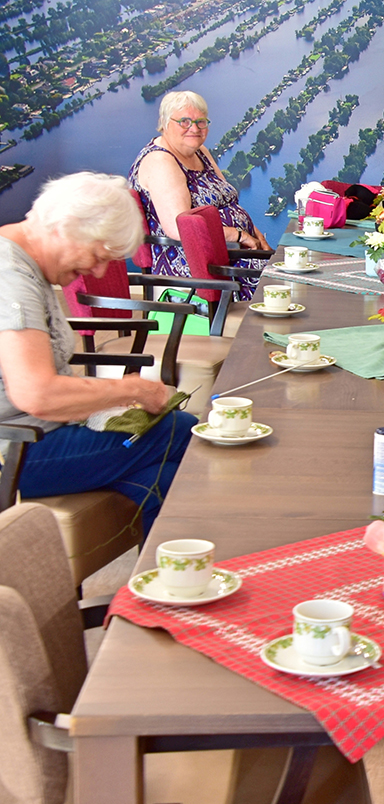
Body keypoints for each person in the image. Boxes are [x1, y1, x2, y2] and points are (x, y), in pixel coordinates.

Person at [0, 173, 198, 535]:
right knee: (181, 430)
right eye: (97, 256)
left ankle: (166, 580)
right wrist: (133, 390)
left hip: (34, 437)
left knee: (166, 478)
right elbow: (37, 394)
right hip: (13, 450)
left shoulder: (21, 260)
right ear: (64, 228)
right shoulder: (10, 276)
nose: (99, 271)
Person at [128, 90, 270, 301]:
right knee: (286, 283)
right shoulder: (160, 161)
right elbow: (181, 228)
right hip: (196, 263)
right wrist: (239, 236)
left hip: (233, 251)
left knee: (297, 269)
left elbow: (230, 201)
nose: (194, 128)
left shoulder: (200, 151)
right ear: (165, 123)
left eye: (200, 122)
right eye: (184, 122)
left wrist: (257, 236)